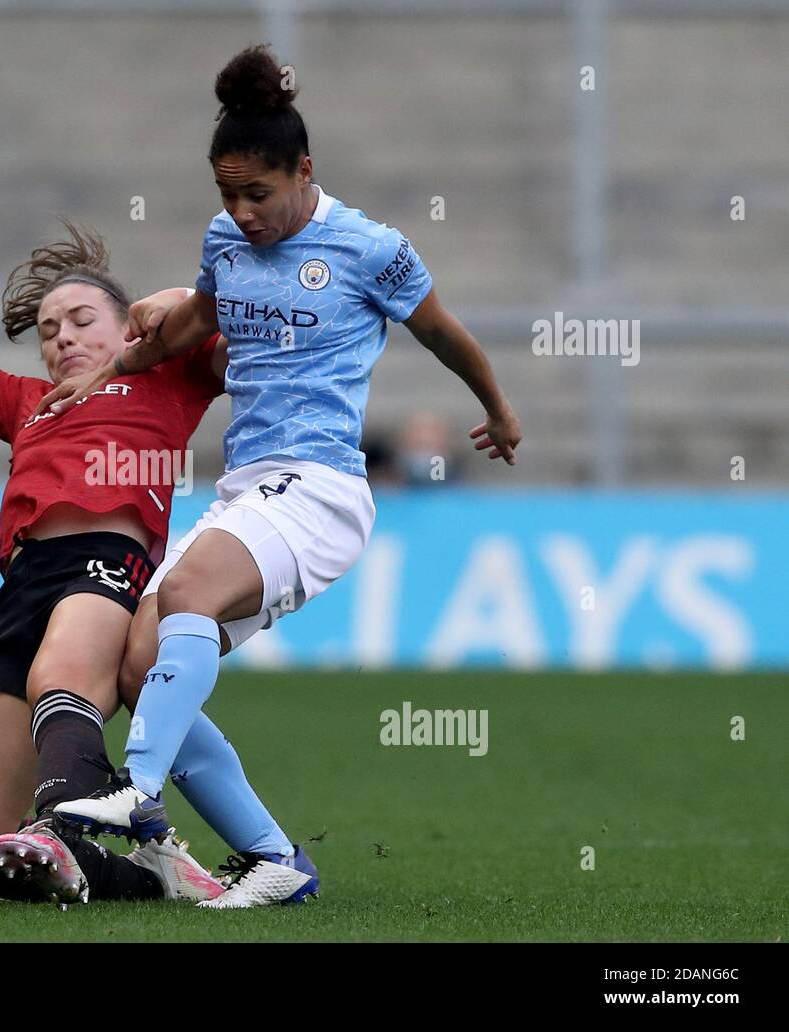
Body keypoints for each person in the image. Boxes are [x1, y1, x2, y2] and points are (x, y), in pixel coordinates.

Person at [45, 45, 523, 908]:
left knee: (186, 593)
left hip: (323, 486)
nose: (242, 211)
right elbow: (197, 318)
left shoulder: (370, 248)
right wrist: (112, 364)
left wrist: (497, 406)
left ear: (304, 171)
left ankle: (139, 788)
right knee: (138, 660)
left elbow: (443, 330)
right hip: (252, 489)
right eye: (227, 193)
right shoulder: (226, 240)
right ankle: (275, 861)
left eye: (257, 193)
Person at [0, 138, 299, 906]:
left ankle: (68, 819)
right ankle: (158, 877)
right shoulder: (28, 405)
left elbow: (226, 311)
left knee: (62, 675)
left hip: (107, 563)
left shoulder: (166, 377)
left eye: (80, 319)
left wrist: (159, 315)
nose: (63, 336)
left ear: (124, 324)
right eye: (49, 328)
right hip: (21, 588)